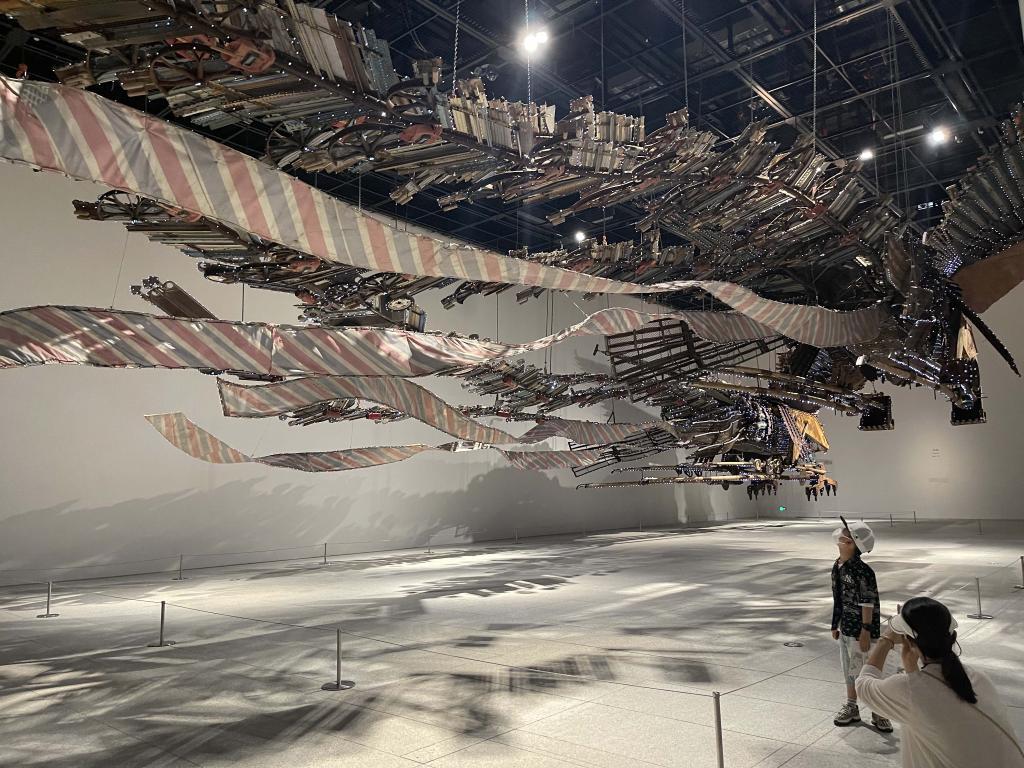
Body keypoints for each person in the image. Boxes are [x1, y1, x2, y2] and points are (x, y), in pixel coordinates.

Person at [856, 596, 1024, 767]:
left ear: (909, 642)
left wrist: (886, 640)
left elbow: (863, 684)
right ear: (952, 636)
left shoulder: (909, 691)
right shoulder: (978, 678)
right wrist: (911, 668)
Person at [830, 519, 893, 732]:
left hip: (862, 630)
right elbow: (838, 598)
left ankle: (878, 710)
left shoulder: (863, 571)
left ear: (852, 543)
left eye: (844, 536)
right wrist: (835, 624)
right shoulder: (837, 566)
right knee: (849, 668)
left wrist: (866, 630)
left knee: (868, 670)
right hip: (846, 627)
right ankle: (852, 706)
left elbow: (867, 602)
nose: (839, 538)